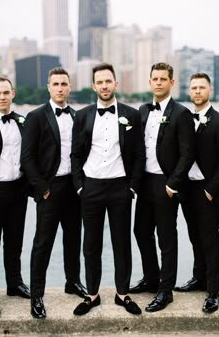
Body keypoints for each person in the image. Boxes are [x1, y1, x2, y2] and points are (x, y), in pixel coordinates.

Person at [71, 62, 145, 315]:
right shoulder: (81, 115)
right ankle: (92, 295)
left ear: (116, 83)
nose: (104, 86)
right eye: (99, 82)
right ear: (94, 86)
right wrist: (80, 187)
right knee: (90, 243)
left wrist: (132, 188)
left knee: (121, 242)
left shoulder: (132, 115)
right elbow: (75, 155)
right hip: (90, 187)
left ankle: (122, 294)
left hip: (120, 188)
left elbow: (138, 155)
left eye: (108, 81)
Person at [21, 67, 86, 319]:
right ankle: (37, 295)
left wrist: (82, 184)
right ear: (49, 87)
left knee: (73, 240)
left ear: (70, 87)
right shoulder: (36, 116)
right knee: (42, 243)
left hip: (74, 187)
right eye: (55, 84)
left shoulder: (77, 116)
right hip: (50, 189)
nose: (60, 88)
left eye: (64, 84)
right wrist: (43, 188)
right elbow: (27, 158)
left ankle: (73, 282)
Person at [130, 62, 195, 312]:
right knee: (140, 231)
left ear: (171, 82)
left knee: (166, 239)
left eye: (162, 79)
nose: (158, 82)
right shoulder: (142, 111)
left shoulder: (181, 114)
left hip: (166, 184)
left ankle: (165, 291)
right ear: (149, 82)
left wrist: (172, 184)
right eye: (154, 78)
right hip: (145, 182)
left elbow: (187, 154)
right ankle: (151, 278)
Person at [174, 73, 219, 313]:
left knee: (210, 239)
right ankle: (199, 278)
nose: (196, 91)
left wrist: (211, 191)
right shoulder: (183, 118)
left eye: (201, 87)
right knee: (194, 236)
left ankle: (213, 291)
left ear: (209, 91)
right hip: (188, 189)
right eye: (193, 87)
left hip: (208, 190)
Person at [0, 77, 30, 317]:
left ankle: (14, 284)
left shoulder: (22, 121)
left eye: (6, 92)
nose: (3, 96)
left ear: (13, 94)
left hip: (18, 190)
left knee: (14, 243)